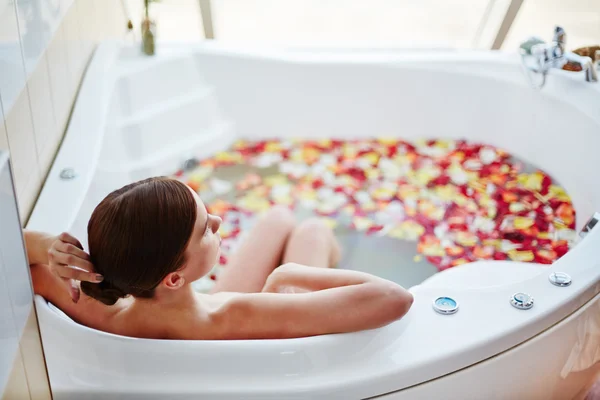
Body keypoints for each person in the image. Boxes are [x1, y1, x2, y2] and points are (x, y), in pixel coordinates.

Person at [28, 177, 413, 340]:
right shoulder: (242, 315)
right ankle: (322, 248)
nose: (217, 219)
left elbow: (18, 257)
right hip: (251, 316)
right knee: (311, 231)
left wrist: (49, 246)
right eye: (205, 229)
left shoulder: (100, 308)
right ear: (174, 278)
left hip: (196, 307)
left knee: (278, 218)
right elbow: (395, 298)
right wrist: (288, 273)